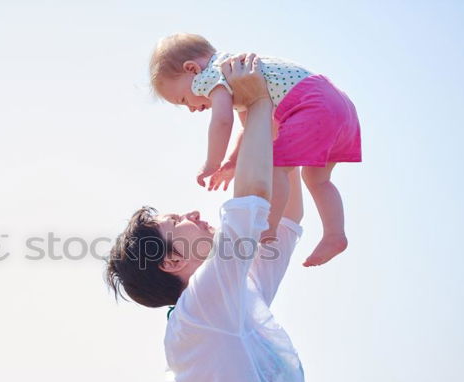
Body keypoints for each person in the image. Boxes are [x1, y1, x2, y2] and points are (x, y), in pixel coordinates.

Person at [105, 54, 335, 382]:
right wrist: (259, 104)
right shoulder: (198, 313)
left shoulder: (236, 298)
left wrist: (278, 120)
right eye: (176, 221)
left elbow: (284, 220)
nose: (193, 214)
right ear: (170, 262)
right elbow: (251, 205)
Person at [149, 33, 362, 267]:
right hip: (338, 104)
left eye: (182, 99)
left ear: (191, 69)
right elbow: (249, 128)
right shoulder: (237, 74)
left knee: (273, 167)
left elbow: (222, 121)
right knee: (317, 179)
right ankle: (335, 234)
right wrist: (231, 162)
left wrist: (211, 163)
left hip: (311, 106)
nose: (190, 108)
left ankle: (267, 227)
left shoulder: (210, 75)